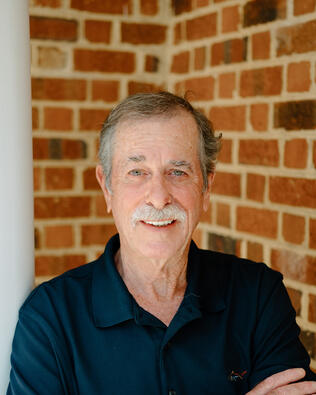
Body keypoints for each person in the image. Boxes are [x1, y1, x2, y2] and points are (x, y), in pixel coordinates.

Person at [7, 92, 316, 394]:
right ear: (107, 187)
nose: (158, 196)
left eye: (178, 172)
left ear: (206, 187)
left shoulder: (258, 294)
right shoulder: (50, 319)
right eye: (137, 172)